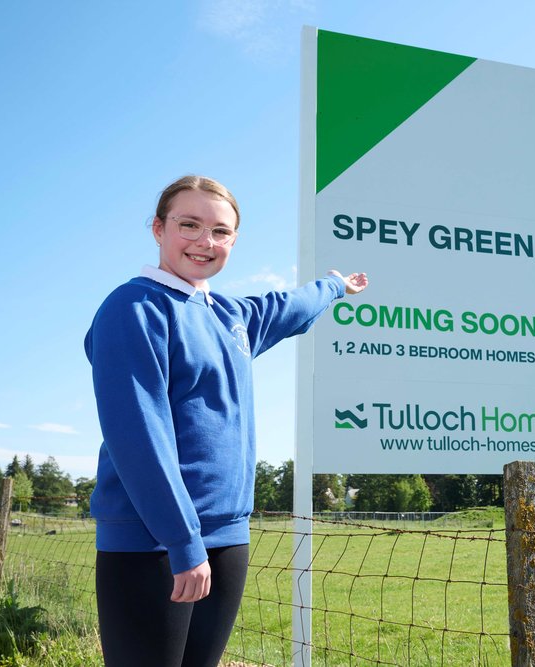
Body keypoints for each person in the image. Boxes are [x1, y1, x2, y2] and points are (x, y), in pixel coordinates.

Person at [84, 175, 368, 667]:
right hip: (153, 541)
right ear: (158, 228)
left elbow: (291, 307)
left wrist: (335, 287)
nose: (204, 242)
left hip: (228, 537)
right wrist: (182, 541)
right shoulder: (133, 309)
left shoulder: (230, 316)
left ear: (234, 241)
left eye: (220, 231)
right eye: (188, 225)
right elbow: (139, 435)